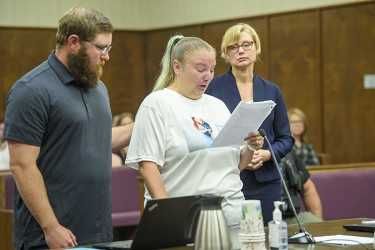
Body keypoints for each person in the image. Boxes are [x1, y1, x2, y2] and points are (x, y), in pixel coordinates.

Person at [4, 7, 132, 249]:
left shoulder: (98, 88)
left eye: (109, 48)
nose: (107, 56)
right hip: (50, 237)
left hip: (98, 231)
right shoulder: (31, 90)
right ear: (73, 42)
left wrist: (144, 123)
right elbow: (22, 166)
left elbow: (97, 139)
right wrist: (51, 227)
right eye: (101, 48)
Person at [125, 35, 263, 248]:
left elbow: (235, 165)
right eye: (200, 69)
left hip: (233, 211)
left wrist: (250, 148)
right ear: (177, 66)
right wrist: (170, 216)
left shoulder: (218, 106)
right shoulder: (157, 104)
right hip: (187, 218)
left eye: (212, 69)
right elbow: (148, 166)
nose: (207, 76)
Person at [206, 23, 294, 223]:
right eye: (233, 47)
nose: (241, 50)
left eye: (247, 44)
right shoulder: (213, 89)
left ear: (257, 48)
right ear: (225, 54)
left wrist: (267, 154)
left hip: (267, 181)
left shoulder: (272, 90)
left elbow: (286, 138)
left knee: (267, 236)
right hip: (229, 178)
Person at [280, 151, 323, 224]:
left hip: (291, 217)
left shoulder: (286, 151)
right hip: (260, 222)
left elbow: (308, 189)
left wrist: (318, 225)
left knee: (316, 224)